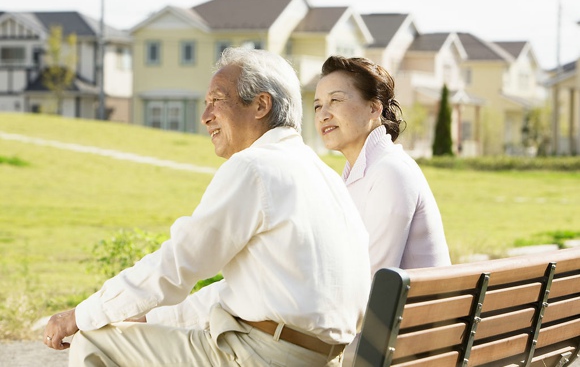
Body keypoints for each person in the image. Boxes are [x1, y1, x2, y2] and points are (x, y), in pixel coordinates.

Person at [44, 47, 371, 367]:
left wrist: (80, 315)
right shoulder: (322, 176)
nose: (204, 117)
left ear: (260, 105)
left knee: (93, 341)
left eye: (216, 101)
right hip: (321, 358)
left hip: (263, 357)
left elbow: (176, 265)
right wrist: (149, 316)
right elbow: (241, 291)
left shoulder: (255, 167)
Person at [313, 55, 451, 365]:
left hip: (412, 347)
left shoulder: (390, 171)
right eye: (318, 105)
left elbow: (372, 284)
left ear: (375, 107)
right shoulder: (356, 175)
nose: (324, 113)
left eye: (336, 100)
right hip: (400, 336)